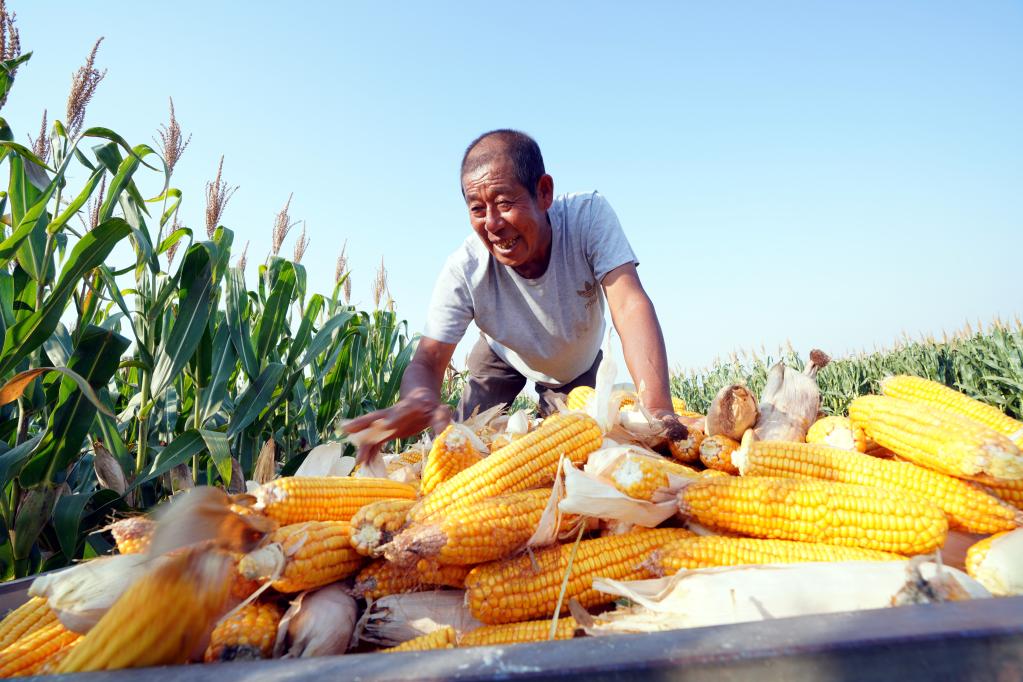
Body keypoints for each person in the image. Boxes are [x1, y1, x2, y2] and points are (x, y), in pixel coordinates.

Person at [344, 129, 681, 465]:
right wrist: (415, 398)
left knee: (568, 462)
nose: (492, 224)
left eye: (505, 203)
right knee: (457, 446)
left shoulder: (587, 218)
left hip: (575, 366)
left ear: (544, 192)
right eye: (477, 208)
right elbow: (428, 360)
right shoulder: (465, 269)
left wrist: (658, 414)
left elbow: (629, 304)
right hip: (501, 356)